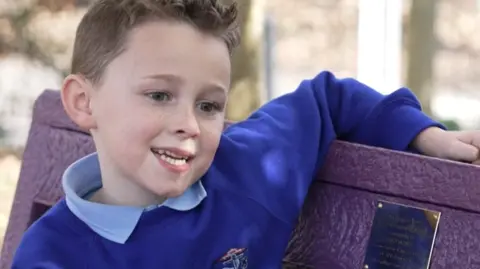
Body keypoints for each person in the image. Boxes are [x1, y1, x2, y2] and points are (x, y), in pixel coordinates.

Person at [11, 0, 480, 268]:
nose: (189, 124)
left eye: (209, 105)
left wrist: (422, 135)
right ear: (83, 102)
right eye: (159, 95)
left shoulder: (247, 171)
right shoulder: (52, 255)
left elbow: (326, 98)